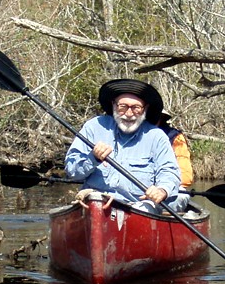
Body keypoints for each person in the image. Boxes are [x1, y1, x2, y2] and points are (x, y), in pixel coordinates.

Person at [65, 79, 187, 213]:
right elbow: (72, 172)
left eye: (136, 108)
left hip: (138, 207)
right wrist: (93, 158)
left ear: (145, 109)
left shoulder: (156, 136)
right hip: (94, 204)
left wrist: (162, 190)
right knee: (94, 200)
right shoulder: (94, 127)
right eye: (123, 106)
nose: (129, 114)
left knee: (180, 195)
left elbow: (169, 172)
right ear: (113, 105)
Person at [154, 110, 194, 188]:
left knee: (181, 196)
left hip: (167, 187)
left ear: (162, 118)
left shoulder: (175, 137)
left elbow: (185, 177)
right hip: (138, 188)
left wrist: (164, 189)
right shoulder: (132, 135)